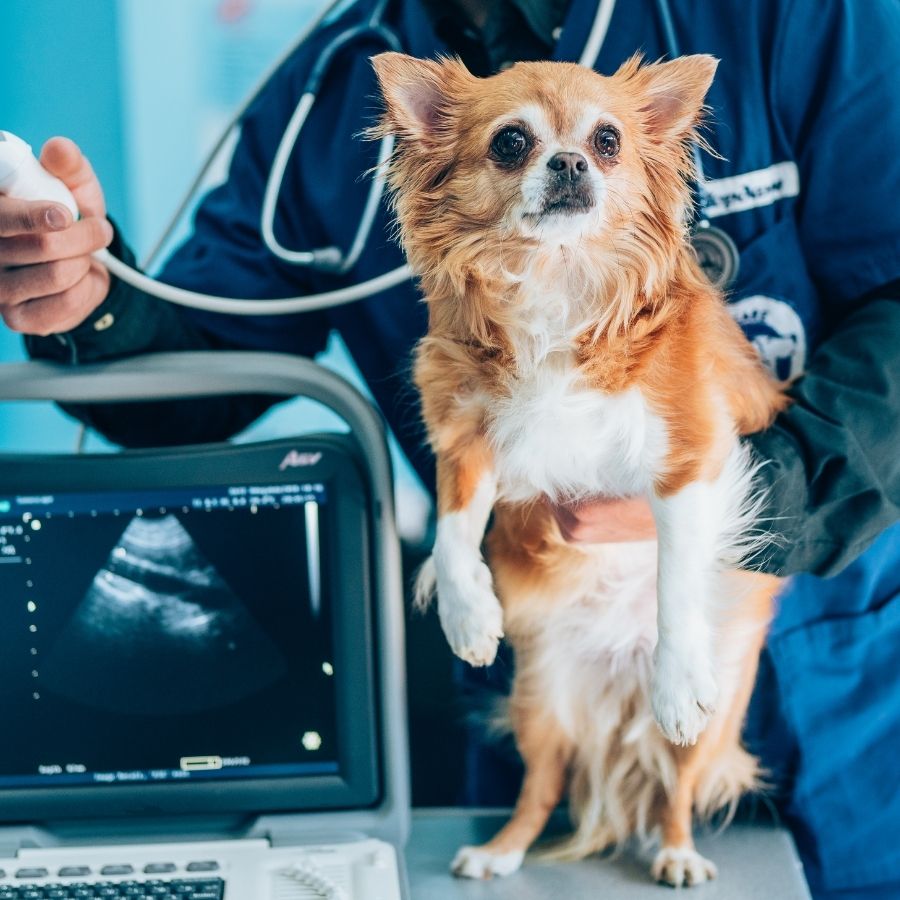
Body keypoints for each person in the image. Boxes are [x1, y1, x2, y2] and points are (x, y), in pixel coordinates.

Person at [1, 1, 899, 896]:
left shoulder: (793, 18)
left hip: (839, 659)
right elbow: (205, 360)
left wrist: (757, 493)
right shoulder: (328, 89)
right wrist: (92, 301)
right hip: (549, 657)